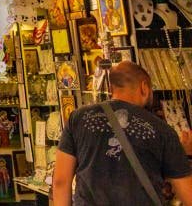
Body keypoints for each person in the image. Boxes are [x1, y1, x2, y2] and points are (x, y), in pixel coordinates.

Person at [53, 61, 192, 205]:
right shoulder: (162, 130)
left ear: (111, 87)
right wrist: (186, 155)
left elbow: (60, 182)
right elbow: (187, 195)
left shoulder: (78, 118)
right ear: (144, 87)